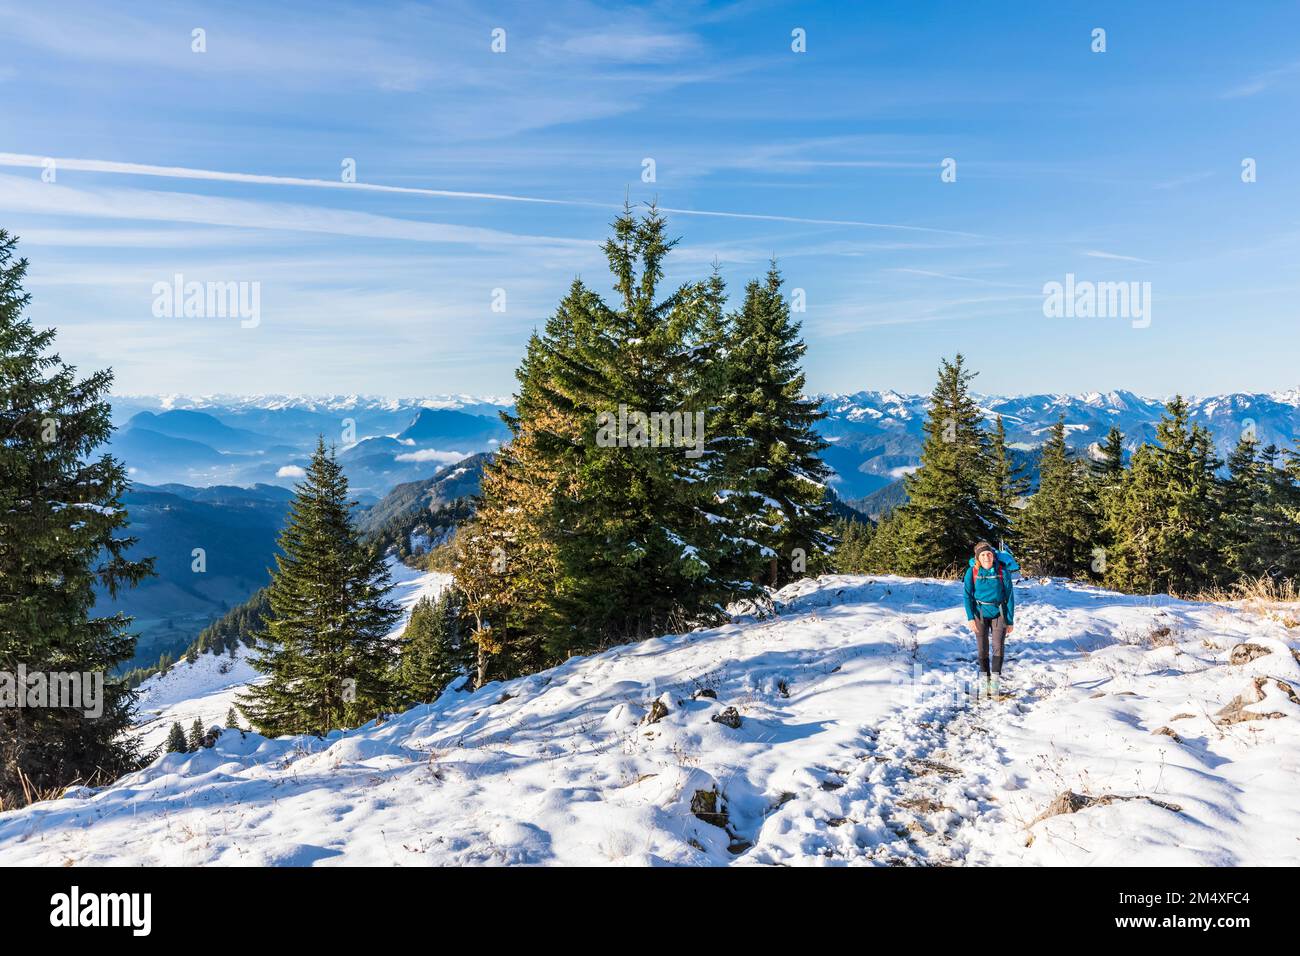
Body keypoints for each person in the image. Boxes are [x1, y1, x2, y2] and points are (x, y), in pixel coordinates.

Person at [963, 540, 1014, 698]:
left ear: (993, 556)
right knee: (982, 649)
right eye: (983, 555)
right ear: (978, 557)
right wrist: (970, 617)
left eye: (989, 554)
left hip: (999, 612)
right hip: (979, 614)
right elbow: (967, 595)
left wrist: (1010, 620)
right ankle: (985, 686)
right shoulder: (972, 572)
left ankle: (995, 687)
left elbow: (1010, 596)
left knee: (998, 648)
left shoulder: (1002, 571)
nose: (987, 557)